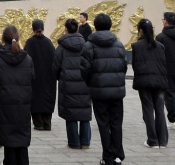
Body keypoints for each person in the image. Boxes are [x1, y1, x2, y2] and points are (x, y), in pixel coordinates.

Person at [82, 13, 126, 165]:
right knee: (116, 123)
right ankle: (118, 155)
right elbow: (124, 66)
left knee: (103, 124)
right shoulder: (119, 44)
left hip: (99, 91)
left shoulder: (89, 46)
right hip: (117, 91)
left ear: (95, 26)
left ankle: (107, 156)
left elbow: (84, 69)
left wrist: (91, 83)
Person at [0, 25, 34, 165]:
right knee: (21, 139)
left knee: (8, 140)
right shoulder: (27, 59)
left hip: (5, 102)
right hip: (23, 103)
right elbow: (32, 78)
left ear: (3, 38)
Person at [53, 18, 91, 151]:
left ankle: (74, 142)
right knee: (85, 112)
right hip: (85, 83)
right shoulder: (86, 45)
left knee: (71, 114)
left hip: (68, 83)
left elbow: (55, 67)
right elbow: (90, 64)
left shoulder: (61, 47)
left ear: (66, 29)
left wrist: (60, 77)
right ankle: (85, 142)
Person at [131, 18, 168, 149]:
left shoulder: (136, 46)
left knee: (148, 110)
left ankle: (152, 140)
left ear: (140, 31)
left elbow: (135, 65)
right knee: (160, 110)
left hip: (145, 82)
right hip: (160, 81)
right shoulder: (160, 46)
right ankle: (162, 140)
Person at [23, 19, 56, 131]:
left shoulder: (29, 43)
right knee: (47, 97)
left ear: (32, 28)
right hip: (48, 77)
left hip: (34, 77)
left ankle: (38, 123)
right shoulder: (48, 43)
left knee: (35, 99)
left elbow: (25, 60)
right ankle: (47, 123)